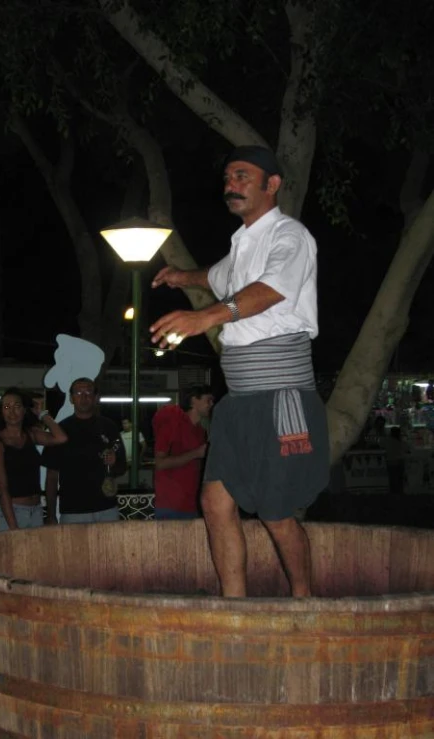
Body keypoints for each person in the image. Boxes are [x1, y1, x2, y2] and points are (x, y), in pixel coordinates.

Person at [150, 145, 329, 598]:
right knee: (214, 502)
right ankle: (236, 607)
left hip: (281, 395)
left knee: (276, 510)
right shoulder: (242, 242)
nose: (231, 185)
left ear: (273, 184)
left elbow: (269, 290)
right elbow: (218, 275)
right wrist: (180, 276)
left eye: (243, 176)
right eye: (229, 177)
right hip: (239, 403)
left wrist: (204, 318)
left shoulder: (291, 236)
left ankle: (304, 602)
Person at [42, 377, 127, 524]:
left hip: (107, 509)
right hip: (73, 511)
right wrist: (50, 514)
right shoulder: (60, 430)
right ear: (71, 398)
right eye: (79, 392)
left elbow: (122, 468)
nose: (84, 397)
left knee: (110, 548)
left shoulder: (109, 427)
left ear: (96, 398)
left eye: (88, 392)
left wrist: (114, 463)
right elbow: (51, 477)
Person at [0, 387, 67, 532]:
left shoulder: (31, 434)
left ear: (24, 410)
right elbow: (2, 487)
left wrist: (41, 413)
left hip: (35, 510)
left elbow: (61, 438)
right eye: (7, 407)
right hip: (11, 511)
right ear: (1, 412)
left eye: (17, 406)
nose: (12, 412)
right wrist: (13, 527)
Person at [152, 386, 213, 520]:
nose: (211, 404)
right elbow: (160, 463)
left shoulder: (201, 431)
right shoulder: (173, 422)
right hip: (170, 505)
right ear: (193, 401)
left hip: (192, 504)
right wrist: (196, 453)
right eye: (208, 400)